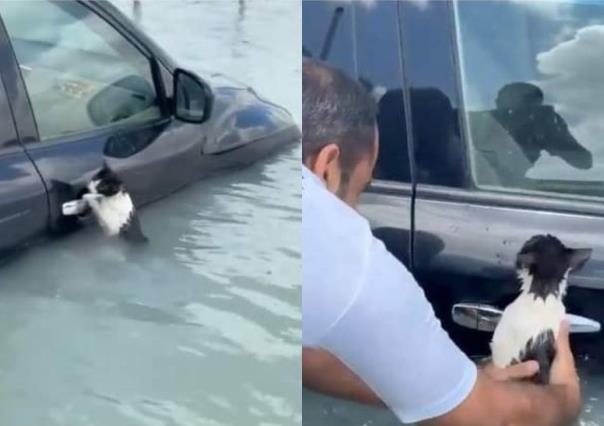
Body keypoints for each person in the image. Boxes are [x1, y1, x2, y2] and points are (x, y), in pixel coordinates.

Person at [302, 58, 582, 426]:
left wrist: (450, 382)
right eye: (360, 189)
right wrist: (564, 397)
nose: (354, 208)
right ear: (327, 166)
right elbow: (496, 420)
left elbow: (300, 352)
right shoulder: (349, 259)